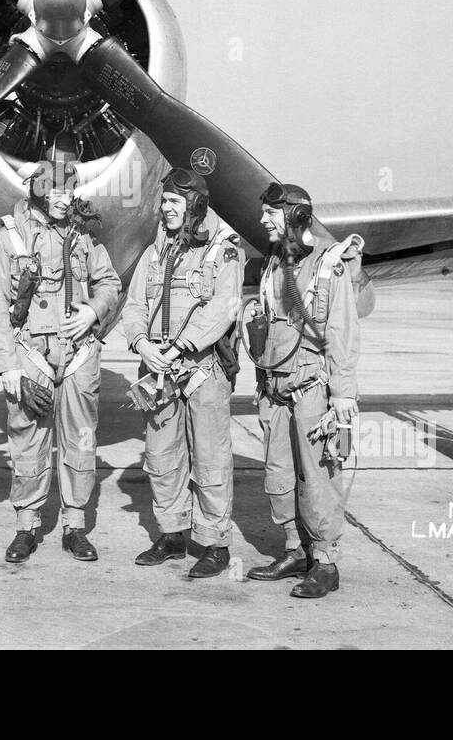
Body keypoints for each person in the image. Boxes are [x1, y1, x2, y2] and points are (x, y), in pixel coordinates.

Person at [0, 155, 121, 564]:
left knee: (81, 441)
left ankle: (74, 525)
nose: (67, 198)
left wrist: (94, 310)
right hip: (30, 358)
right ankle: (27, 526)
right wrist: (8, 368)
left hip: (78, 356)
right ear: (38, 190)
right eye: (59, 190)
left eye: (71, 189)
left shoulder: (81, 238)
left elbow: (109, 281)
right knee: (27, 443)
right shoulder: (6, 241)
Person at [119, 169, 243, 578]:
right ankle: (172, 534)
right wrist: (142, 345)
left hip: (200, 370)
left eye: (174, 202)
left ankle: (214, 543)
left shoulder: (223, 250)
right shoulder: (156, 251)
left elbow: (222, 310)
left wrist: (176, 347)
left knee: (209, 459)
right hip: (157, 371)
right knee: (162, 457)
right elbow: (134, 305)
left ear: (195, 205)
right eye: (164, 201)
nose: (166, 209)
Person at [242, 183, 362, 598]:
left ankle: (325, 563)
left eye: (271, 214)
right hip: (273, 386)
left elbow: (342, 331)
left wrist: (343, 395)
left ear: (294, 216)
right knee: (278, 473)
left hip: (311, 387)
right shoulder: (276, 261)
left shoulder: (330, 266)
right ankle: (295, 550)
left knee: (317, 478)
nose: (262, 221)